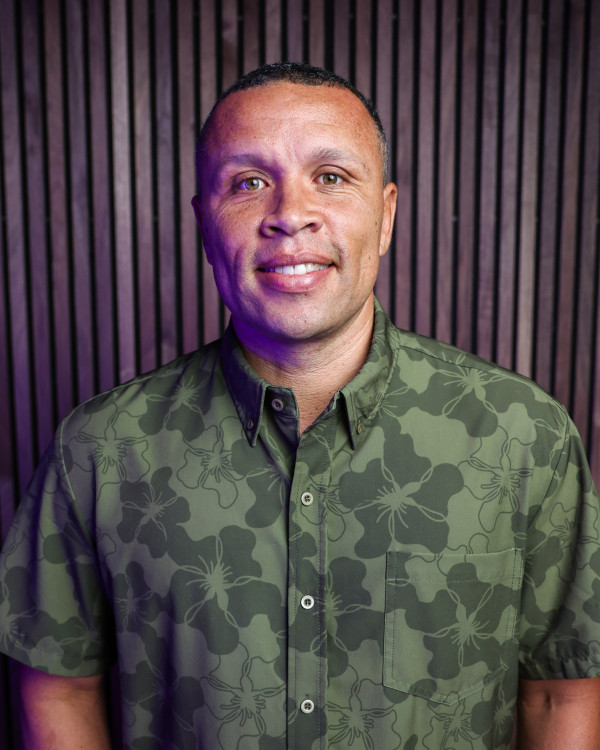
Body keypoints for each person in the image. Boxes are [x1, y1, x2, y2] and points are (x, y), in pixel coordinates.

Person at [1, 62, 600, 750]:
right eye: (248, 182)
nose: (290, 214)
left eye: (331, 177)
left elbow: (560, 691)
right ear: (204, 223)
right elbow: (61, 687)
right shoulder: (98, 450)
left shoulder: (524, 436)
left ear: (386, 215)